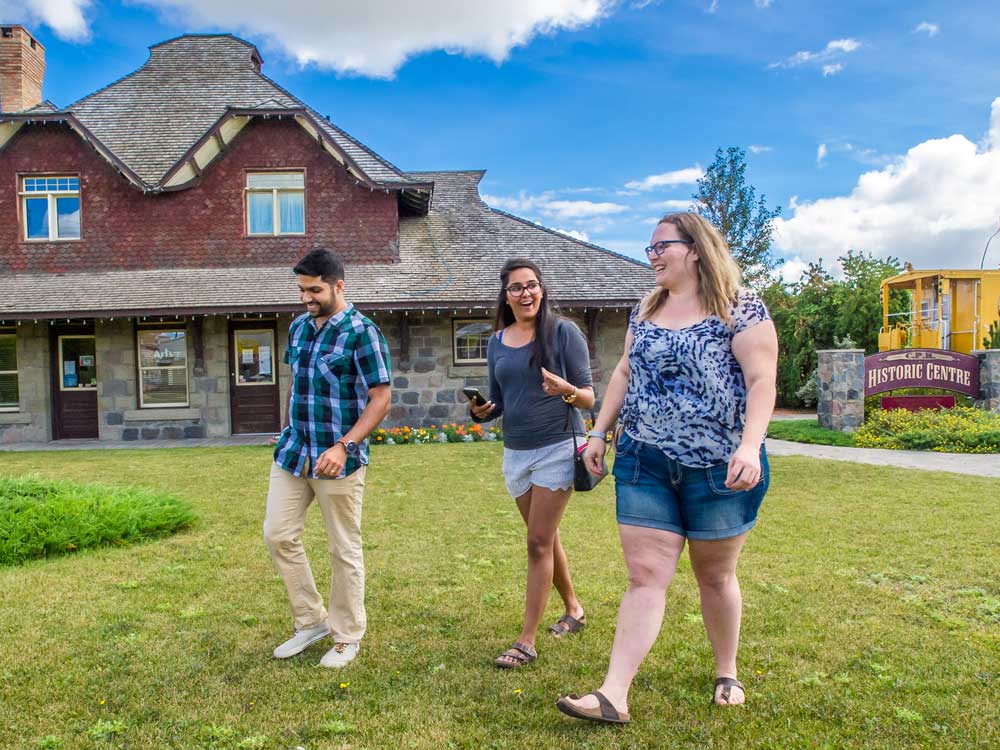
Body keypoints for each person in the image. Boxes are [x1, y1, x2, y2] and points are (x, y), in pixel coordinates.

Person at [556, 212, 778, 723]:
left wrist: (749, 447)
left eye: (662, 246)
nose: (652, 255)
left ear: (696, 249)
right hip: (645, 459)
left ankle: (727, 670)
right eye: (650, 247)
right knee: (645, 576)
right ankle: (614, 694)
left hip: (719, 466)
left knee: (715, 576)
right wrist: (598, 432)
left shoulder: (739, 308)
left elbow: (762, 380)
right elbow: (626, 372)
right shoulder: (647, 308)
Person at [263, 248, 392, 669]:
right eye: (302, 290)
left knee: (343, 548)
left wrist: (346, 446)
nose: (306, 298)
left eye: (314, 290)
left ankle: (347, 635)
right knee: (278, 534)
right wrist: (286, 425)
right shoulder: (299, 328)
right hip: (294, 451)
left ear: (339, 285)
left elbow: (381, 398)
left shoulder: (362, 332)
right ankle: (310, 621)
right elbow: (296, 383)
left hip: (340, 458)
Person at [470, 258, 596, 669]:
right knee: (546, 538)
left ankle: (526, 641)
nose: (526, 294)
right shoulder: (496, 342)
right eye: (516, 288)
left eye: (532, 286)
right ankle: (574, 609)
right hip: (516, 452)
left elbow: (590, 398)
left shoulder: (563, 333)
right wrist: (481, 411)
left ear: (542, 290)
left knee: (537, 542)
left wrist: (566, 389)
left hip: (557, 447)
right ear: (505, 296)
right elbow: (499, 402)